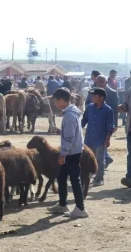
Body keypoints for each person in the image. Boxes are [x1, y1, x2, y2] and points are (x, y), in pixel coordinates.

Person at [47, 87, 88, 218]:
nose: (54, 104)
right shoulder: (72, 113)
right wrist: (61, 131)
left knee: (74, 180)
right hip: (73, 150)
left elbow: (70, 137)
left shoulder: (69, 116)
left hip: (71, 152)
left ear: (61, 100)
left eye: (55, 101)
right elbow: (72, 133)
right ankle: (63, 204)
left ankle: (80, 208)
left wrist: (63, 153)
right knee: (62, 177)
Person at [81, 88, 114, 186]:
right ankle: (86, 176)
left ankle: (99, 178)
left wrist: (107, 139)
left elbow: (110, 126)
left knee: (100, 160)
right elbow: (84, 120)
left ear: (101, 97)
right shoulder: (90, 107)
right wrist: (76, 128)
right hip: (89, 139)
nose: (92, 97)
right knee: (88, 158)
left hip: (100, 139)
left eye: (94, 95)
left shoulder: (108, 110)